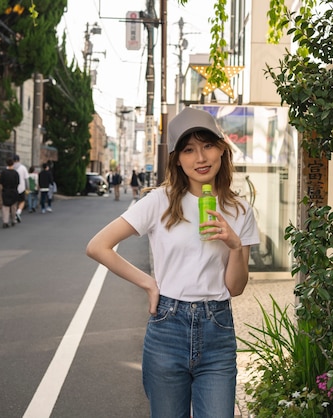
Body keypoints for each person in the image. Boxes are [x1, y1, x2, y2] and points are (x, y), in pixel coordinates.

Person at [86, 107, 260, 418]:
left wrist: (234, 245)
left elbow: (235, 288)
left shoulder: (240, 210)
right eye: (189, 149)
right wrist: (148, 283)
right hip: (168, 327)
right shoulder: (160, 201)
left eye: (207, 145)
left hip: (217, 327)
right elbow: (98, 246)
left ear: (222, 148)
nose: (200, 158)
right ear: (177, 158)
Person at [0, 157, 19, 228]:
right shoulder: (15, 173)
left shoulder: (3, 173)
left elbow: (0, 183)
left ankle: (5, 221)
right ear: (13, 164)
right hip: (13, 191)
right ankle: (13, 220)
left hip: (6, 190)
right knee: (13, 207)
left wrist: (1, 191)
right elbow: (17, 183)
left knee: (5, 207)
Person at [12, 154, 29, 223]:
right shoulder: (23, 168)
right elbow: (26, 179)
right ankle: (18, 212)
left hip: (12, 188)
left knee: (14, 202)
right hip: (21, 187)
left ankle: (14, 215)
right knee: (22, 201)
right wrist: (27, 188)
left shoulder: (10, 167)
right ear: (19, 160)